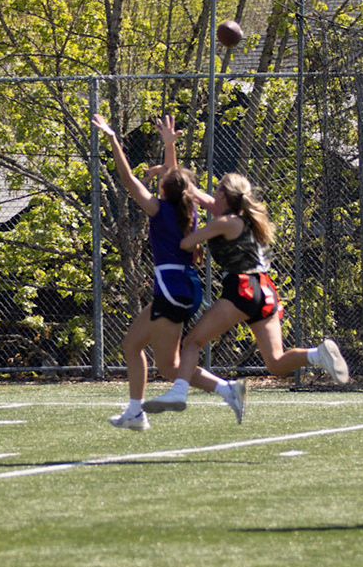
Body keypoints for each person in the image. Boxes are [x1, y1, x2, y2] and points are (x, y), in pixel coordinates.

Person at [143, 171, 349, 423]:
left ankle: (178, 393)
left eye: (216, 190)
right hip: (266, 291)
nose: (211, 196)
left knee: (193, 342)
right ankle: (316, 354)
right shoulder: (246, 218)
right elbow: (195, 194)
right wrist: (170, 172)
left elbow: (185, 244)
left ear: (223, 195)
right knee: (275, 363)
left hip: (242, 287)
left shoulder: (225, 221)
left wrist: (193, 241)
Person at [92, 112, 211, 431]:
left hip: (171, 288)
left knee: (169, 367)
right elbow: (175, 177)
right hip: (181, 286)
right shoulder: (188, 207)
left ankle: (227, 390)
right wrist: (169, 145)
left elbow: (127, 178)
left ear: (164, 189)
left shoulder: (159, 209)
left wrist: (114, 140)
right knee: (132, 344)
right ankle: (135, 412)